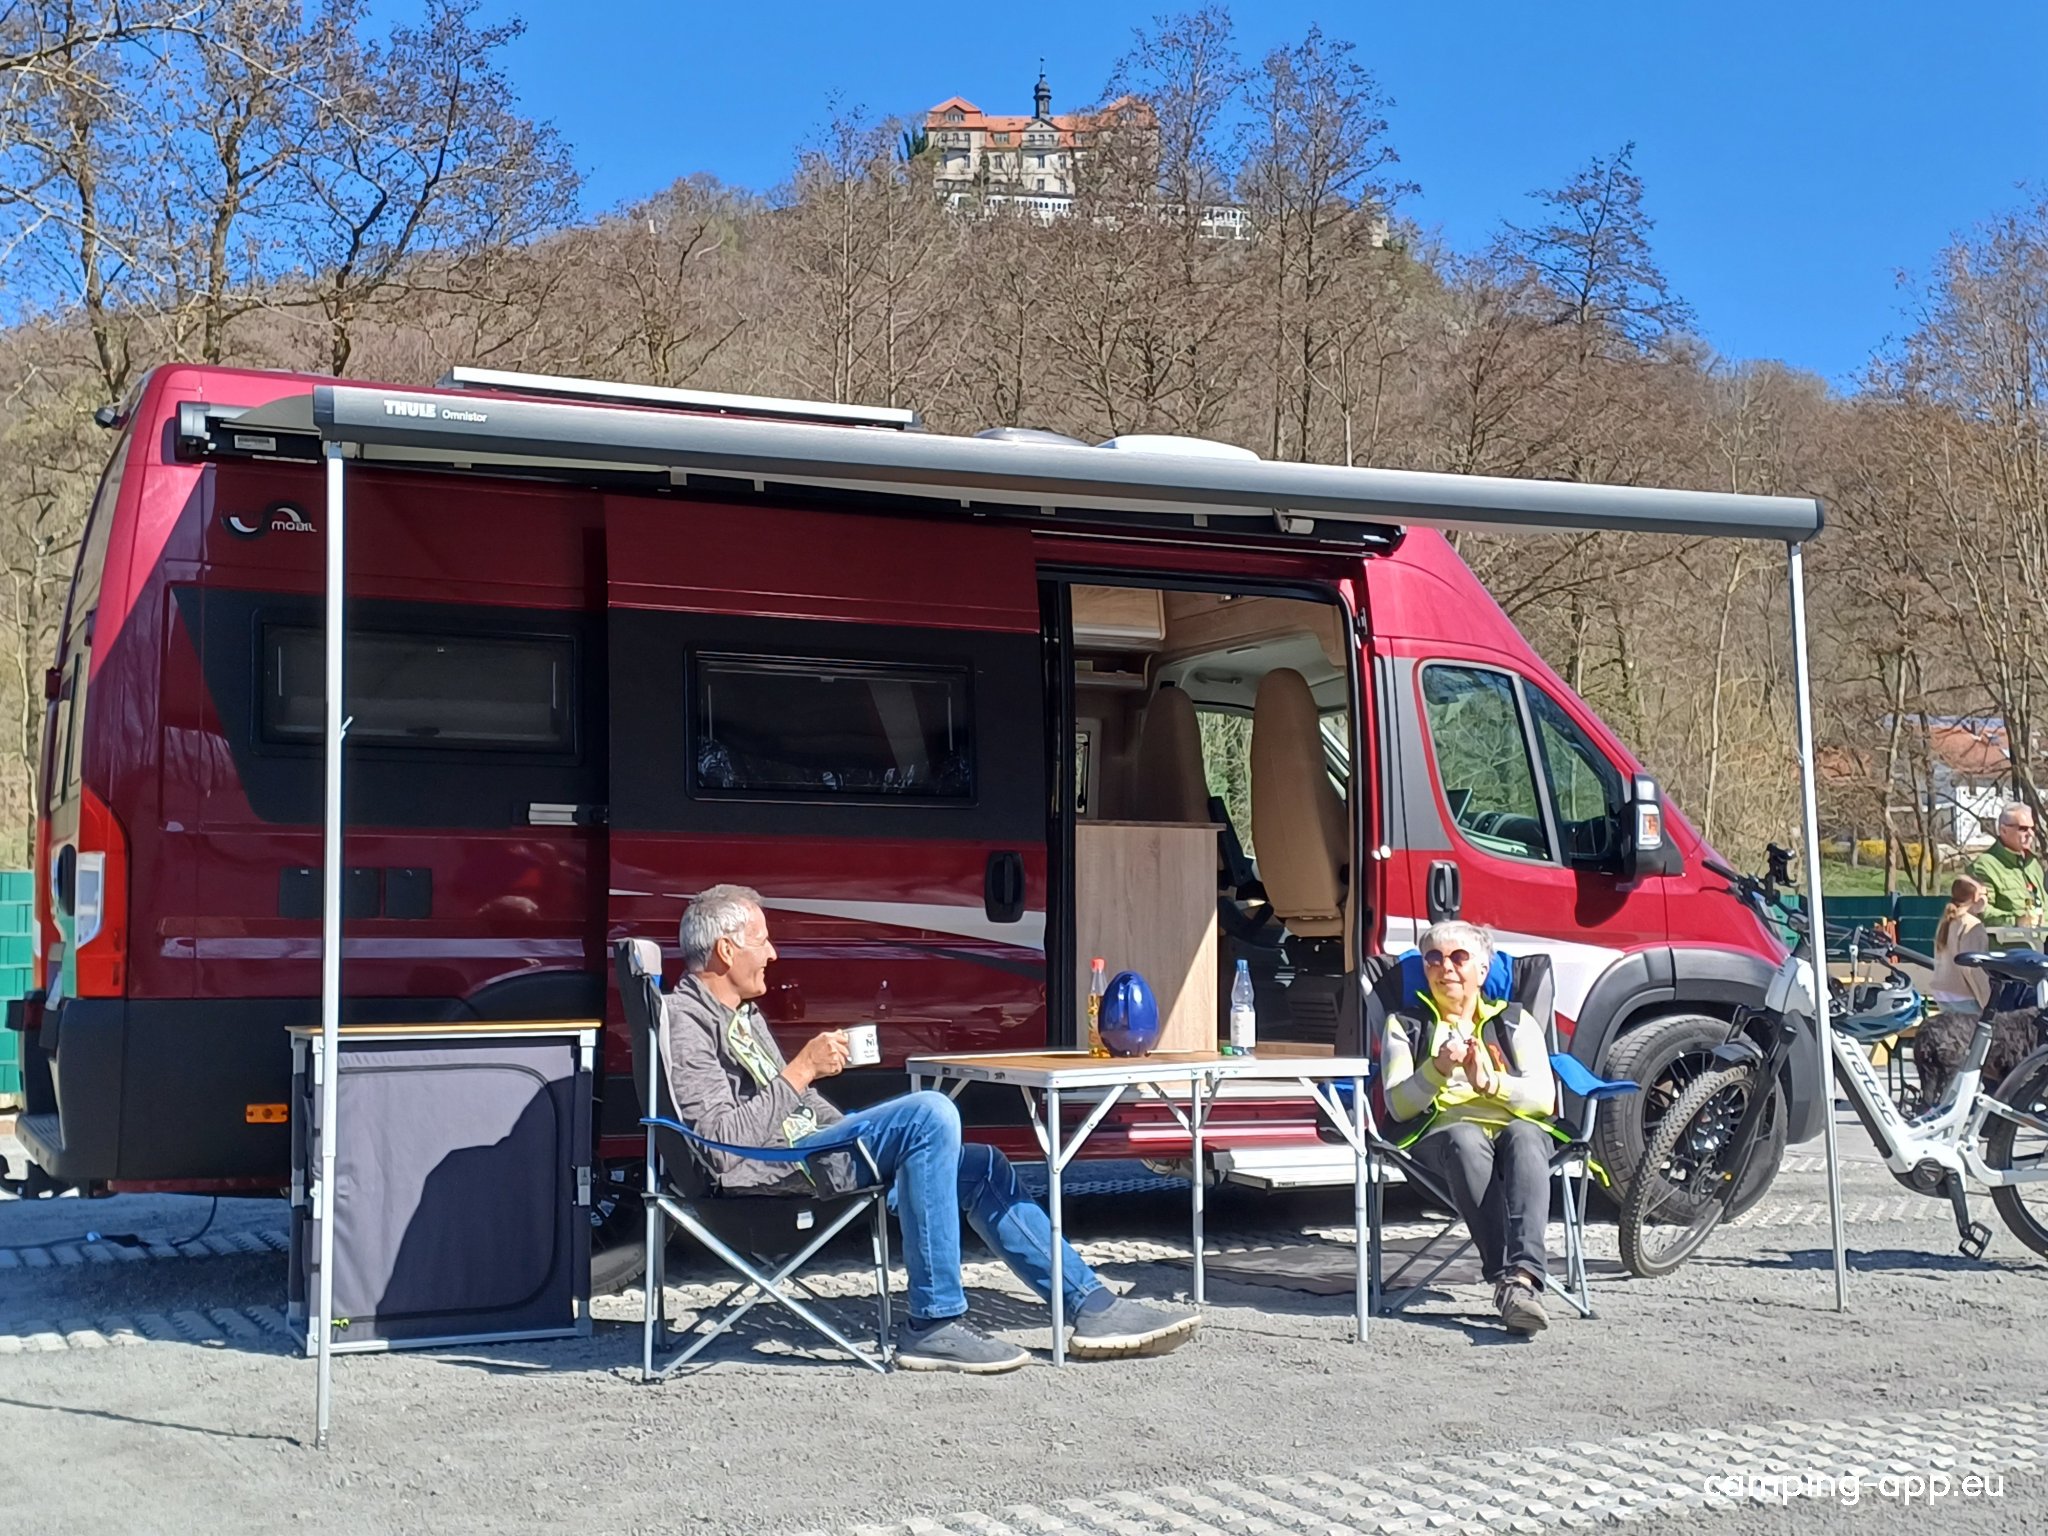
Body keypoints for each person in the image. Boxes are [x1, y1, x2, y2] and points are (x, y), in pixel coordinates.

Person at [661, 884, 1201, 1374]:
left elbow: (798, 1108)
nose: (774, 954)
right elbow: (723, 1148)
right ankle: (934, 1322)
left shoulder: (743, 1014)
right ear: (726, 950)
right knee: (930, 1112)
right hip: (773, 1173)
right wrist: (800, 1071)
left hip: (810, 1151)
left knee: (982, 1165)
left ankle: (1090, 1304)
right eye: (763, 941)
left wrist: (850, 1127)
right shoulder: (686, 1021)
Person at [1377, 920, 1558, 1335]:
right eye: (1434, 959)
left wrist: (1489, 1081)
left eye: (1459, 958)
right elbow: (1399, 1106)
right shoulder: (1406, 1024)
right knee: (1465, 1136)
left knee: (1528, 1134)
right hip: (1439, 1145)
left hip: (1513, 1137)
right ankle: (1507, 1278)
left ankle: (1522, 1280)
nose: (1447, 969)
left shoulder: (1515, 1021)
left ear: (1482, 968)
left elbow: (1543, 1100)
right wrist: (1438, 1069)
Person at [1967, 803, 2045, 928]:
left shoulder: (2033, 863)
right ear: (2003, 830)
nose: (2030, 834)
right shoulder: (1984, 866)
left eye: (2032, 828)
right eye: (2023, 829)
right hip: (2010, 943)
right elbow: (1980, 911)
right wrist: (2017, 922)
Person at [1930, 875, 1993, 1014]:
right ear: (1977, 897)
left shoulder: (1946, 920)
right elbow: (1972, 967)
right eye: (1985, 894)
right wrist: (1986, 1000)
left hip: (1943, 992)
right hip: (1965, 994)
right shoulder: (1973, 926)